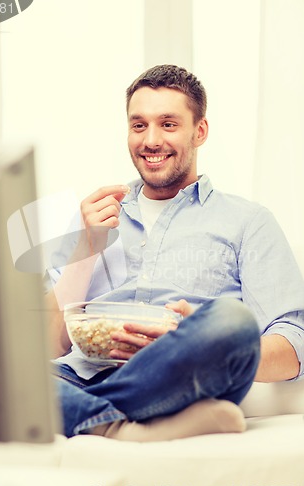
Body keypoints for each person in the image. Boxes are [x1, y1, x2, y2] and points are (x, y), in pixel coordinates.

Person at [44, 65, 304, 442]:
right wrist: (84, 249)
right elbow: (50, 345)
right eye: (138, 125)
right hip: (80, 374)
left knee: (231, 319)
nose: (150, 140)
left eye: (168, 124)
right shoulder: (93, 218)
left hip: (183, 377)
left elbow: (295, 346)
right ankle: (118, 424)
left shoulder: (248, 221)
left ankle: (90, 416)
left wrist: (192, 338)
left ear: (200, 131)